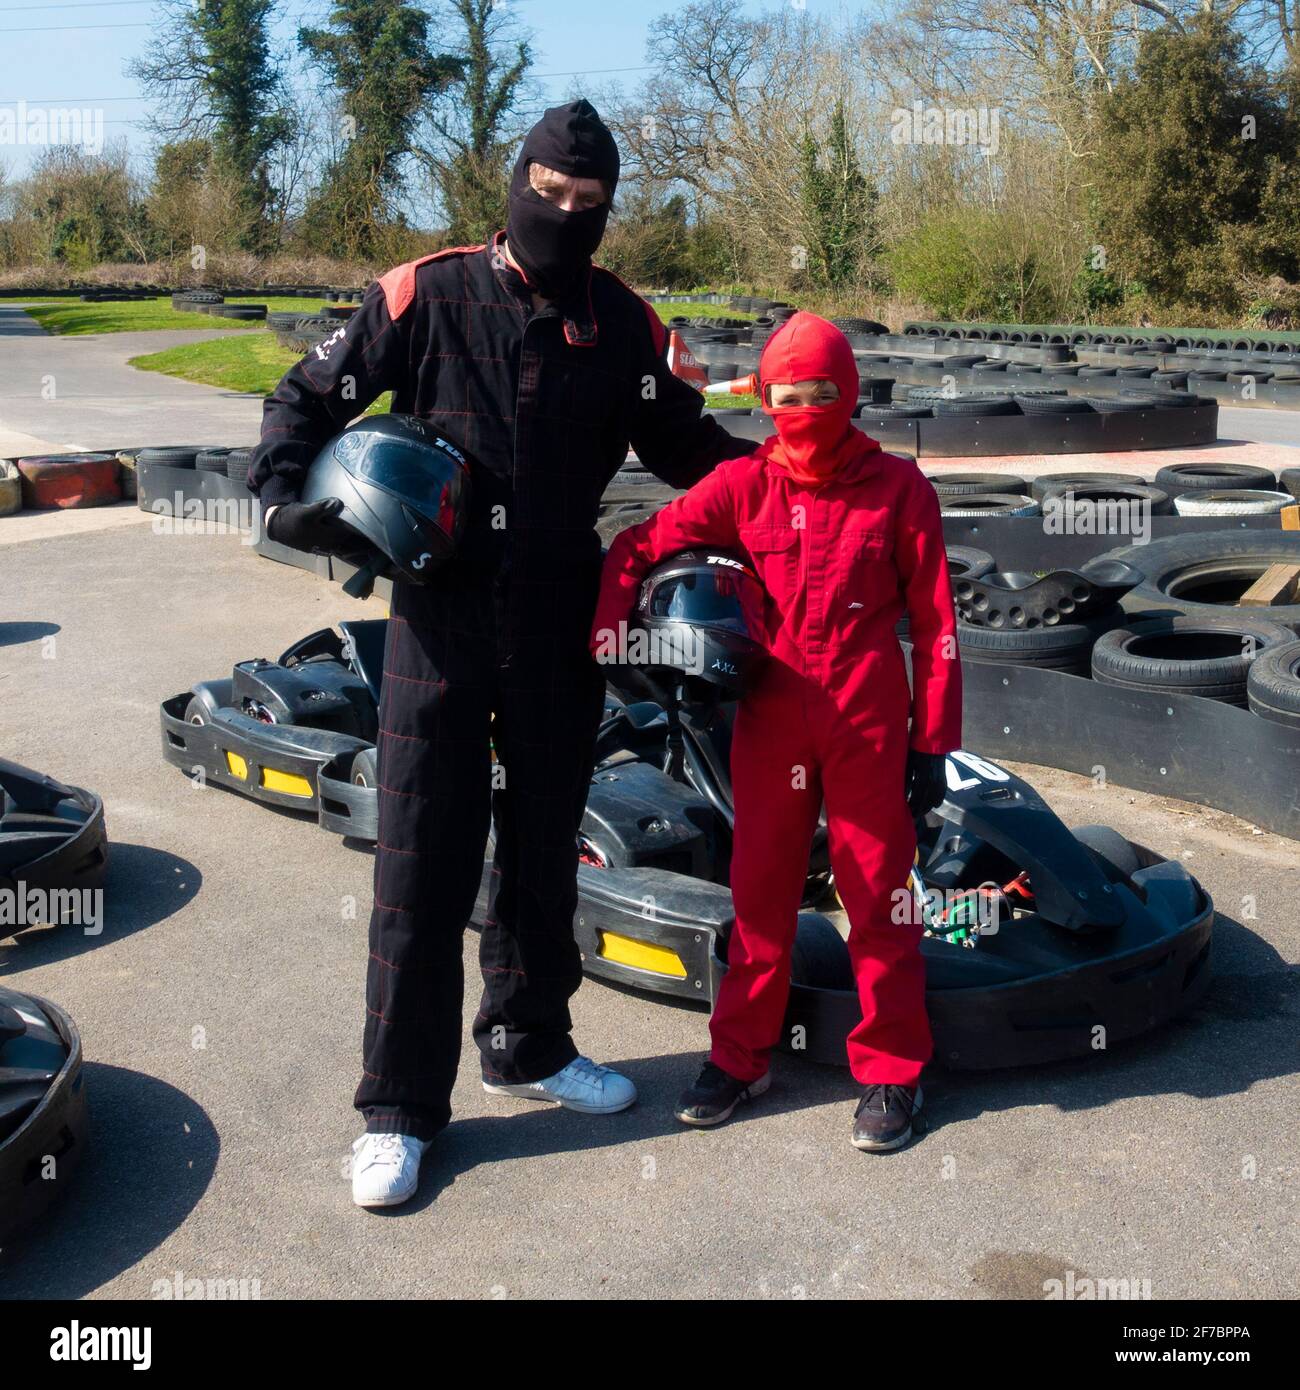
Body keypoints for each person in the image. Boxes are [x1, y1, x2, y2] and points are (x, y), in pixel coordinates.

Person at [247, 99, 752, 1208]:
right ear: (514, 182)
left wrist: (793, 487)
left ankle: (528, 1044)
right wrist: (286, 502)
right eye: (548, 194)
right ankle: (396, 1107)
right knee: (422, 857)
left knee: (541, 847)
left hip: (563, 618)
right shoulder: (425, 293)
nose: (563, 216)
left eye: (588, 205)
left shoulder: (621, 324)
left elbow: (686, 445)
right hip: (439, 615)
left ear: (609, 211)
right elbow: (306, 396)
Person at [589, 312, 962, 1152]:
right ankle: (742, 1057)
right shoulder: (744, 485)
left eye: (822, 395)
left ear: (850, 393)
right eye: (787, 399)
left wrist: (935, 742)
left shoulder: (901, 489)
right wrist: (613, 638)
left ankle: (892, 1074)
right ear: (764, 398)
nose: (804, 411)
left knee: (879, 899)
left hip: (867, 712)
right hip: (773, 713)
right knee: (759, 896)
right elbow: (638, 544)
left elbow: (937, 623)